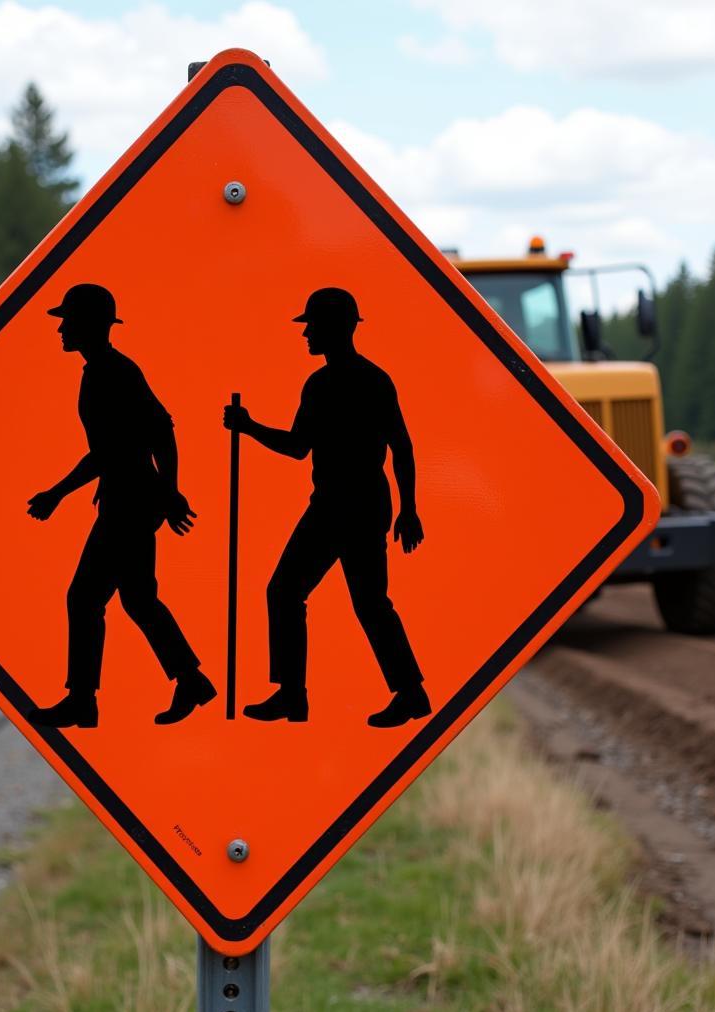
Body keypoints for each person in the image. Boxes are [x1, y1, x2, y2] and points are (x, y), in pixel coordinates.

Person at [223, 287, 430, 727]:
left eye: (312, 326)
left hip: (345, 506)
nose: (306, 335)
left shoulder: (346, 382)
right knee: (353, 601)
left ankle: (307, 696)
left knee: (304, 594)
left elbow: (396, 446)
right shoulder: (353, 380)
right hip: (353, 504)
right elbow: (311, 447)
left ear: (334, 328)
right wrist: (406, 508)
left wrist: (248, 427)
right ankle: (302, 697)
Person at [27, 283, 215, 728]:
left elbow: (156, 431)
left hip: (130, 503)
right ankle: (190, 679)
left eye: (67, 321)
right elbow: (119, 446)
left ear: (88, 325)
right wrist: (166, 492)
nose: (60, 329)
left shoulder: (114, 372)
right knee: (138, 599)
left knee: (85, 597)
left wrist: (168, 492)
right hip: (127, 497)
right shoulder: (99, 371)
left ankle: (82, 700)